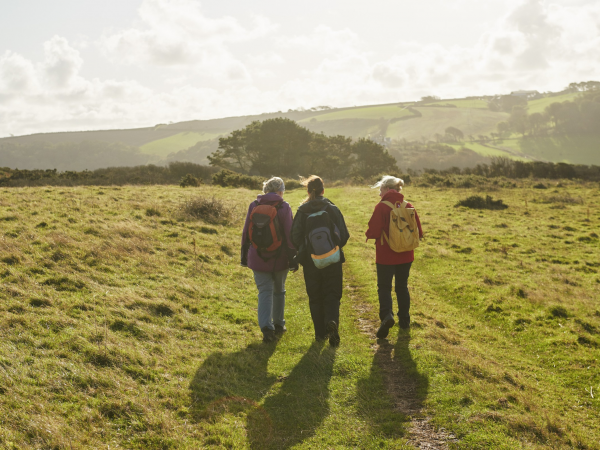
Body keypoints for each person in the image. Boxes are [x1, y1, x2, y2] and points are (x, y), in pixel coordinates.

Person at [291, 175, 349, 346]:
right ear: (323, 190)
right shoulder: (332, 208)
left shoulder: (302, 211)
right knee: (332, 293)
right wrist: (332, 247)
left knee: (315, 296)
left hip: (310, 262)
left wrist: (307, 250)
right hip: (332, 258)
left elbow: (294, 236)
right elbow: (344, 235)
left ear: (308, 191)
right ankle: (332, 321)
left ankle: (320, 335)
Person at [365, 175, 423, 339]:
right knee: (402, 287)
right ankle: (404, 321)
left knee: (384, 287)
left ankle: (387, 317)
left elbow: (374, 231)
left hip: (386, 255)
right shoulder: (408, 205)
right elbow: (419, 231)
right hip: (406, 255)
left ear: (387, 189)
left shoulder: (381, 207)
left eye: (380, 190)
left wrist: (368, 234)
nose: (379, 194)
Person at [241, 177, 297, 343]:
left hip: (257, 256)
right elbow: (289, 235)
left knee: (264, 291)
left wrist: (244, 256)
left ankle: (266, 327)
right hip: (279, 258)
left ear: (265, 190)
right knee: (279, 291)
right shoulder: (284, 206)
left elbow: (246, 232)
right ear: (280, 191)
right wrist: (293, 258)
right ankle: (279, 324)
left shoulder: (254, 205)